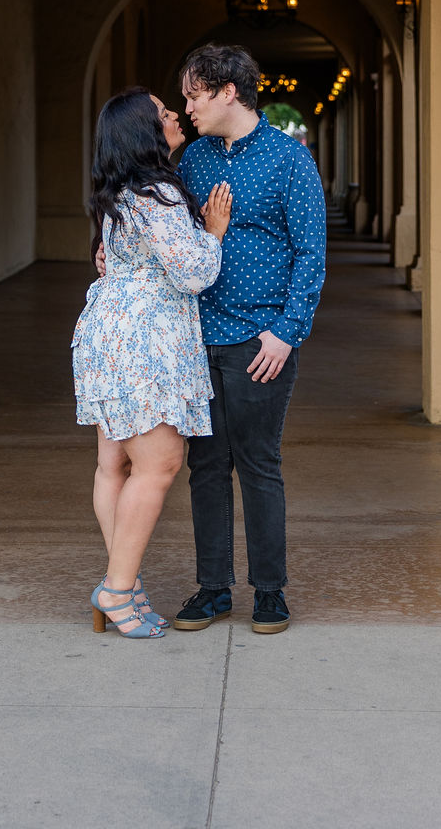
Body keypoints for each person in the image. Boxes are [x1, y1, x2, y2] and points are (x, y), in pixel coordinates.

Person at [173, 43, 326, 636]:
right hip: (196, 338)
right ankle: (212, 589)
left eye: (194, 94)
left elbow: (310, 253)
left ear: (227, 92)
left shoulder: (290, 160)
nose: (187, 107)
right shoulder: (192, 162)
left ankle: (269, 591)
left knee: (259, 464)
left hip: (260, 342)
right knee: (206, 466)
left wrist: (286, 334)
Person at [73, 86, 232, 639]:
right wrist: (212, 234)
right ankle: (117, 590)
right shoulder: (158, 192)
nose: (176, 116)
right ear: (147, 131)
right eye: (165, 112)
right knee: (159, 464)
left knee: (113, 465)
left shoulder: (118, 193)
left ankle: (124, 584)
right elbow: (192, 274)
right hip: (147, 344)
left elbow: (114, 259)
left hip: (109, 337)